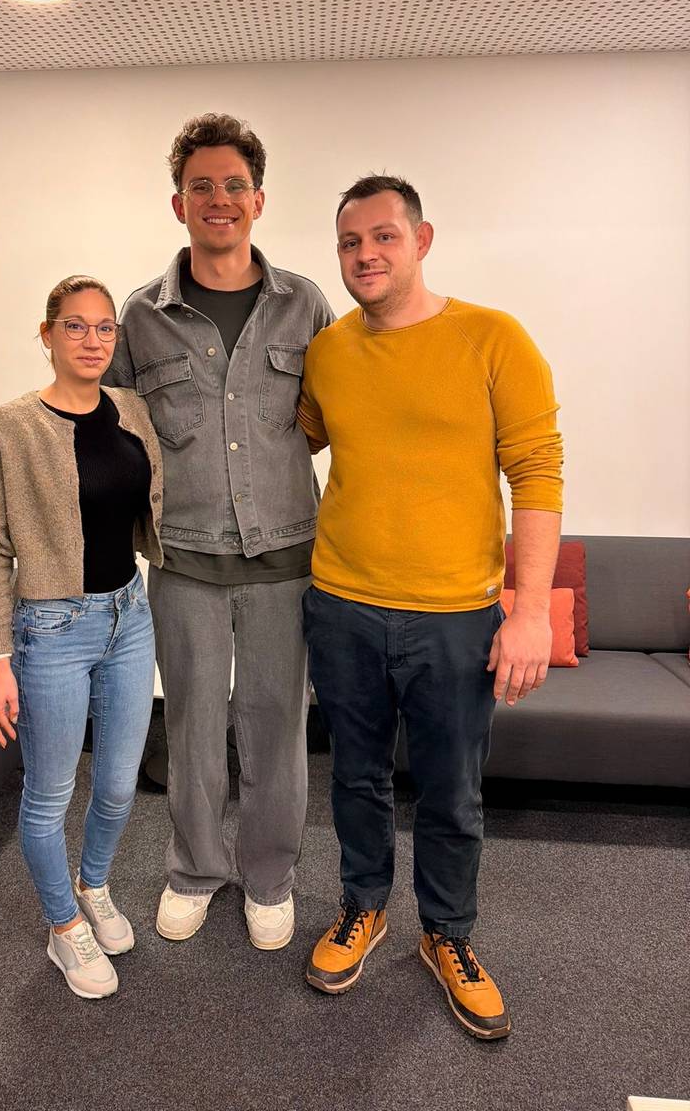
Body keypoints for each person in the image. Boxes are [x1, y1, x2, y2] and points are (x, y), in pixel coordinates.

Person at [298, 175, 563, 1038]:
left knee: (451, 791)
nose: (365, 254)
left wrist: (530, 612)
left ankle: (447, 934)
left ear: (422, 240)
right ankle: (363, 906)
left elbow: (537, 472)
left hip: (455, 616)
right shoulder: (328, 351)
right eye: (349, 242)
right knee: (355, 777)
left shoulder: (492, 337)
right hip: (342, 605)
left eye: (383, 236)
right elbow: (289, 441)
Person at [104, 113, 334, 951]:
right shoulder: (140, 316)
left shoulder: (305, 304)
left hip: (286, 559)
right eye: (200, 185)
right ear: (178, 203)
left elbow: (336, 419)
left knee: (276, 730)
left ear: (258, 200)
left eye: (235, 184)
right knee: (193, 730)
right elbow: (117, 436)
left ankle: (269, 878)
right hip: (186, 562)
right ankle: (195, 870)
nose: (219, 199)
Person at [0, 275, 164, 1000]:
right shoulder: (7, 428)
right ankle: (63, 926)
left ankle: (94, 885)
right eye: (75, 326)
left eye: (105, 327)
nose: (92, 340)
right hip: (51, 628)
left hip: (129, 615)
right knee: (50, 794)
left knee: (117, 784)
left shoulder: (133, 410)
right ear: (47, 335)